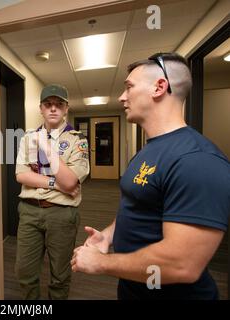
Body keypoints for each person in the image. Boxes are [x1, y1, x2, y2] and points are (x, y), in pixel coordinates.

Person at [71, 52, 230, 299]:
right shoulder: (149, 150)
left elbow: (182, 264)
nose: (122, 97)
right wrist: (108, 236)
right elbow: (138, 205)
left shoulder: (197, 160)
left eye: (129, 87)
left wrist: (102, 263)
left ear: (159, 87)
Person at [15, 84, 90, 299]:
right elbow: (21, 175)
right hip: (29, 212)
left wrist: (46, 147)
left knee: (60, 275)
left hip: (62, 214)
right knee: (24, 272)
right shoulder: (28, 138)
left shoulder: (77, 139)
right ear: (41, 108)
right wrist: (57, 185)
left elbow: (70, 180)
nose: (53, 109)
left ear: (66, 108)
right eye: (48, 104)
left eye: (59, 104)